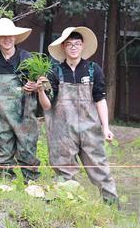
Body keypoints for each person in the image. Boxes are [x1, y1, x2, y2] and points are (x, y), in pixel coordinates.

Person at [44, 26, 118, 205]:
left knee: (100, 169)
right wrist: (41, 90)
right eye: (69, 44)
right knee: (64, 173)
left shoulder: (93, 70)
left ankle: (112, 208)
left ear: (83, 46)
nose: (73, 47)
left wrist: (106, 127)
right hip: (62, 132)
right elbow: (46, 104)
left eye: (77, 44)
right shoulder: (55, 72)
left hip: (90, 129)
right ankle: (70, 208)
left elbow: (100, 99)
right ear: (63, 47)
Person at [0, 18, 41, 184]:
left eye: (10, 35)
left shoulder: (26, 57)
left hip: (23, 113)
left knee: (27, 148)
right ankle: (6, 184)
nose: (7, 39)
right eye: (3, 36)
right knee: (1, 148)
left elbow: (40, 81)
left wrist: (34, 85)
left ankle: (32, 184)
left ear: (15, 37)